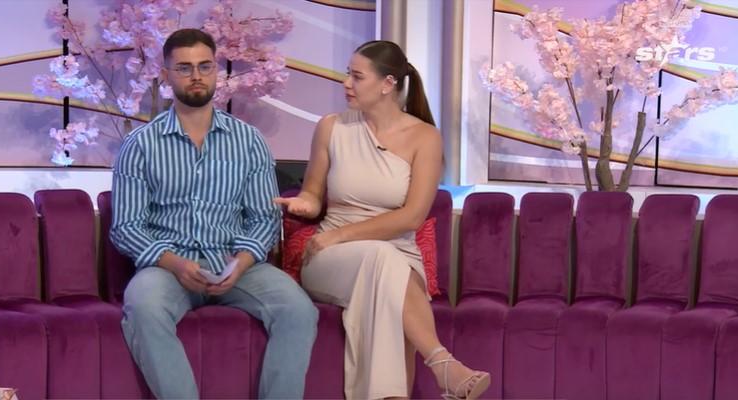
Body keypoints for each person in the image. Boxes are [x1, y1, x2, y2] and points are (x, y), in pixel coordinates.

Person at [275, 40, 491, 400]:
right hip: (331, 258)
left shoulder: (424, 137)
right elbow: (313, 194)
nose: (346, 83)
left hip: (395, 252)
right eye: (348, 74)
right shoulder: (331, 127)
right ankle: (443, 365)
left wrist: (341, 235)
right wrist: (303, 205)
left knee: (386, 273)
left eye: (357, 77)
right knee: (381, 260)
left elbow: (412, 216)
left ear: (388, 83)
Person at [111, 28, 318, 399]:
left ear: (216, 71)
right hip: (168, 267)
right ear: (166, 75)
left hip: (237, 265)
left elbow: (264, 218)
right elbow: (127, 227)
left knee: (299, 310)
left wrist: (241, 262)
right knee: (143, 306)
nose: (196, 76)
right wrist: (175, 264)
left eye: (205, 66)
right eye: (184, 68)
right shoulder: (139, 145)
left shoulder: (249, 141)